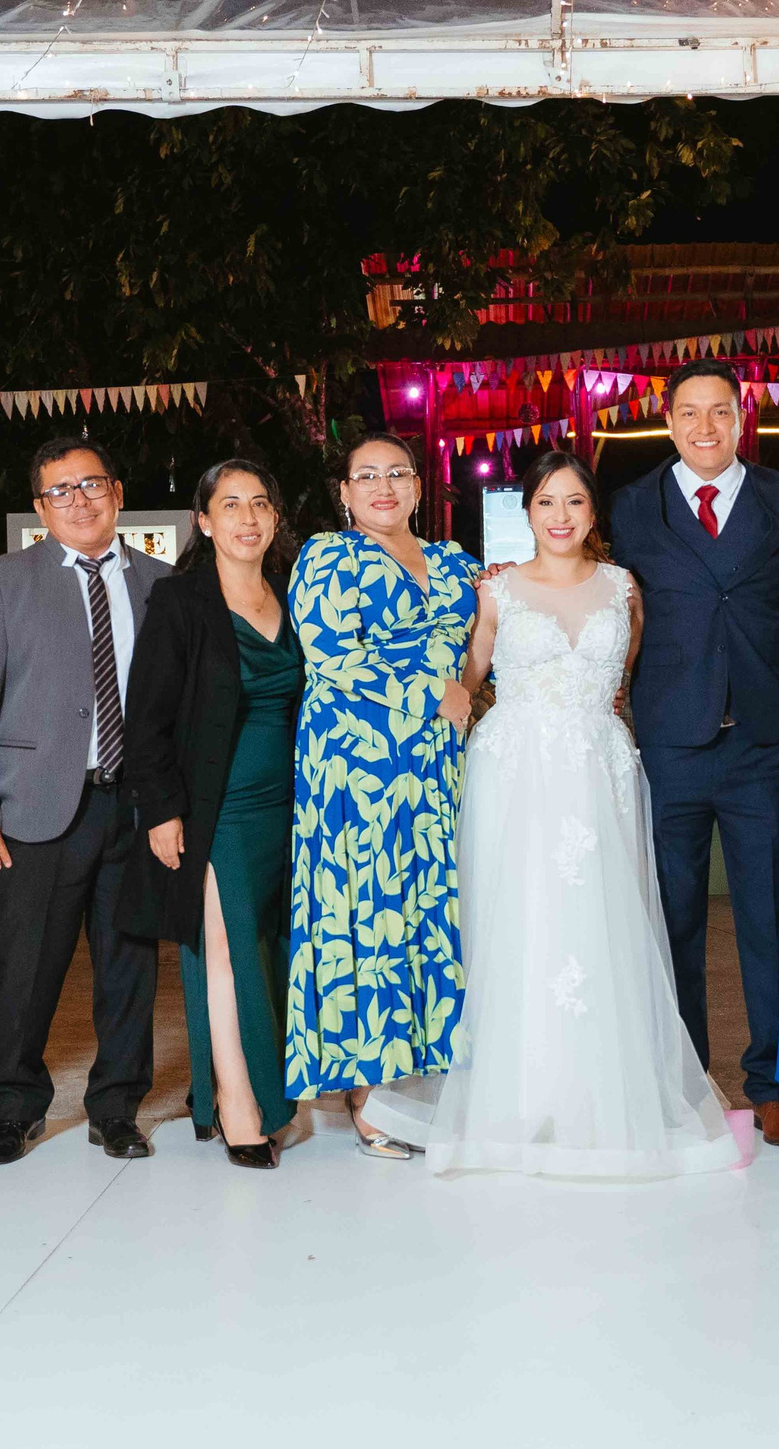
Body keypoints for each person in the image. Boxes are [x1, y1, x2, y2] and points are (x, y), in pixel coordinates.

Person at [369, 453, 740, 1178]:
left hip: (599, 771)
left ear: (594, 513)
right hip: (516, 771)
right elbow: (470, 680)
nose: (561, 516)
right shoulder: (497, 590)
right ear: (529, 512)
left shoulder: (624, 589)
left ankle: (600, 1097)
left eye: (574, 502)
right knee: (521, 921)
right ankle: (515, 1093)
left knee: (604, 922)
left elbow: (625, 679)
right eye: (546, 502)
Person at [607, 359, 779, 1149]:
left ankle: (774, 1085)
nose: (705, 428)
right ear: (669, 423)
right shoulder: (632, 507)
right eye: (689, 414)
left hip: (762, 743)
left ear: (742, 418)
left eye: (719, 412)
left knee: (771, 919)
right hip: (669, 743)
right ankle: (684, 1082)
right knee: (673, 921)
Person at [0, 437, 170, 1167]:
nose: (79, 499)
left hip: (135, 808)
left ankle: (117, 1110)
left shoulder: (164, 584)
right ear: (42, 508)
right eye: (60, 491)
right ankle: (14, 1110)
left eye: (91, 484)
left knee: (130, 967)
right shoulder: (3, 580)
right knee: (24, 967)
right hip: (34, 812)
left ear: (118, 491)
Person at [284, 434, 482, 1157]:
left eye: (397, 473)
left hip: (434, 763)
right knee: (366, 905)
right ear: (344, 491)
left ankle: (424, 1079)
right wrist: (435, 692)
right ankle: (367, 1093)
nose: (383, 486)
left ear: (419, 485)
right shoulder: (327, 555)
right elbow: (332, 653)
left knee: (430, 906)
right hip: (356, 760)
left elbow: (485, 634)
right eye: (366, 475)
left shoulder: (458, 561)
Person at [126, 459, 305, 1170]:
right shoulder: (180, 602)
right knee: (224, 948)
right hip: (214, 806)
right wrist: (163, 812)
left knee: (266, 945)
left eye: (260, 503)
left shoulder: (293, 593)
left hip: (289, 806)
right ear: (204, 521)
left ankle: (242, 1087)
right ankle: (236, 1102)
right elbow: (147, 722)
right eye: (230, 505)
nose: (248, 518)